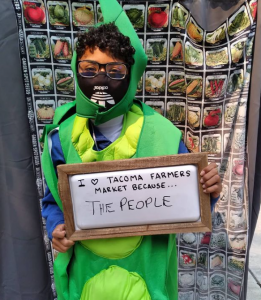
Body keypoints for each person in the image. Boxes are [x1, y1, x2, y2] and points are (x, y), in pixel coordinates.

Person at [41, 1, 221, 299]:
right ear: (76, 70)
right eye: (90, 69)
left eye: (114, 71)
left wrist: (208, 191)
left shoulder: (163, 135)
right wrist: (57, 226)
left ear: (130, 75)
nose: (101, 79)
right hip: (85, 275)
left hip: (147, 279)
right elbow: (53, 199)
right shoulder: (60, 137)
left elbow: (188, 200)